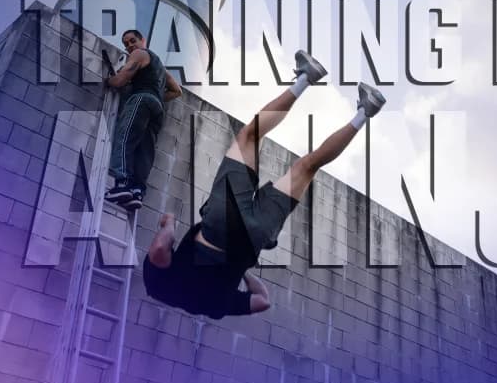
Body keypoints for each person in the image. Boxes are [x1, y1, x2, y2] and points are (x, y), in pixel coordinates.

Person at [143, 50, 386, 318]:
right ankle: (306, 77)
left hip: (252, 240)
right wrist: (168, 226)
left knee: (308, 166)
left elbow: (262, 301)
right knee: (250, 136)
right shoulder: (159, 289)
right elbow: (159, 250)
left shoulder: (215, 308)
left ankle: (366, 110)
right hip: (220, 225)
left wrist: (242, 270)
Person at [104, 29, 183, 210]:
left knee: (124, 139)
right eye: (126, 44)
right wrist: (155, 96)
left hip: (140, 100)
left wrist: (109, 81)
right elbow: (177, 91)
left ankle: (122, 184)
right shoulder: (160, 67)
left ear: (143, 40)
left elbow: (120, 81)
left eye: (132, 41)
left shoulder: (139, 54)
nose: (130, 46)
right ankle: (137, 191)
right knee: (144, 152)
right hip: (157, 109)